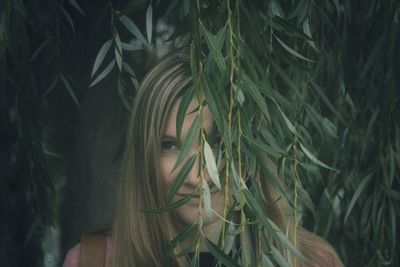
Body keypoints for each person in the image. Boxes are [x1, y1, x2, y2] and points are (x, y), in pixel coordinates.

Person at [63, 47, 343, 267]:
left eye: (218, 143)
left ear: (252, 151)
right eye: (170, 145)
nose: (198, 176)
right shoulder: (93, 262)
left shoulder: (312, 262)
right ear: (144, 158)